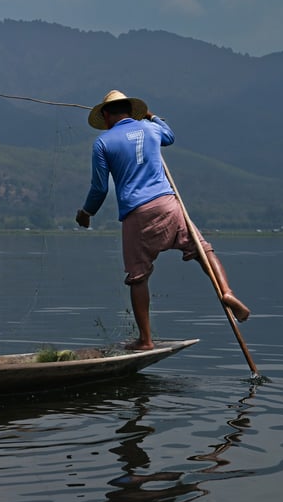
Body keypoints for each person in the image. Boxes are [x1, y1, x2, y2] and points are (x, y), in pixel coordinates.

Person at [75, 90, 249, 351]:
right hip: (168, 205)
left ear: (107, 115)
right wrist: (152, 117)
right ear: (131, 111)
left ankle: (146, 341)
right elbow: (170, 135)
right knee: (204, 250)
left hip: (137, 213)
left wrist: (86, 213)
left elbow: (99, 189)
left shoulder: (103, 142)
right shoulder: (150, 128)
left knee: (138, 277)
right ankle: (227, 292)